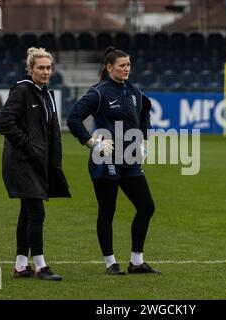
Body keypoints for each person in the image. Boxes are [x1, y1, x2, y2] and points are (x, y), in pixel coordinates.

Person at [67, 46, 159, 275]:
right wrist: (92, 143)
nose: (127, 69)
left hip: (130, 159)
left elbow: (144, 114)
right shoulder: (98, 93)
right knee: (107, 211)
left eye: (128, 65)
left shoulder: (136, 93)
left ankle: (136, 262)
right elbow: (74, 118)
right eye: (122, 65)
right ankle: (110, 263)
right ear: (110, 68)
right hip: (104, 159)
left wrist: (145, 141)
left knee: (147, 207)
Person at [0, 47, 71, 281]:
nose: (46, 71)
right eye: (41, 67)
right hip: (21, 163)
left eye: (49, 67)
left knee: (27, 214)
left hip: (37, 163)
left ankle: (21, 266)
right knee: (37, 213)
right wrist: (27, 145)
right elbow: (5, 122)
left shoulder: (45, 93)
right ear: (30, 69)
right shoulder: (22, 91)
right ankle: (40, 266)